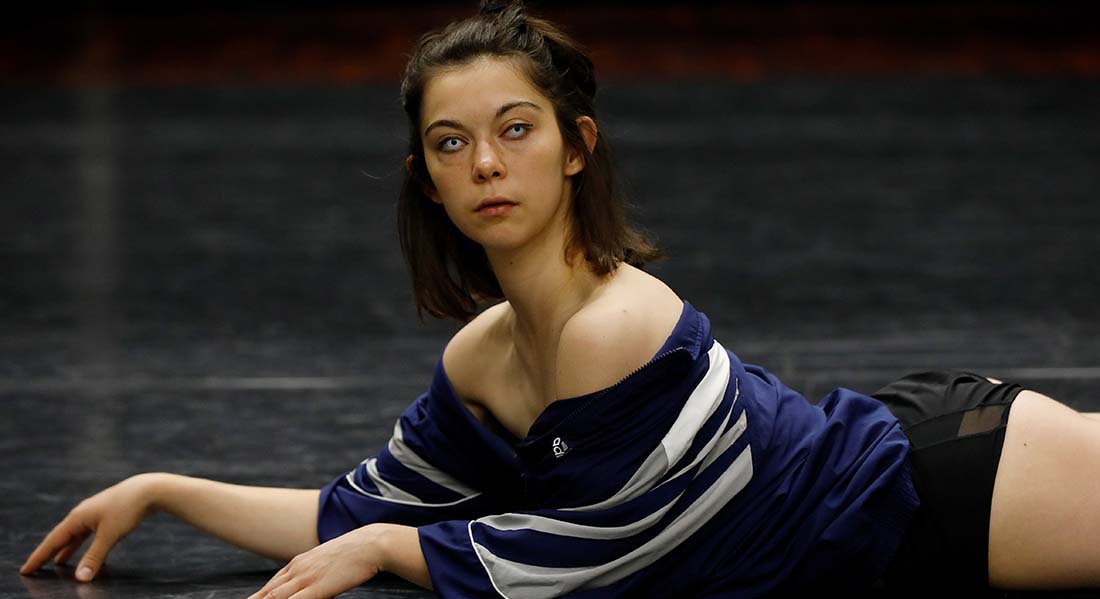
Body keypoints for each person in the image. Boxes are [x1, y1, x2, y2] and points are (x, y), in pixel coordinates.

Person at [18, 1, 1100, 597]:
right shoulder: (486, 354)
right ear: (424, 177)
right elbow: (356, 511)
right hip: (912, 459)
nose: (486, 162)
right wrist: (163, 484)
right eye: (452, 142)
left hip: (951, 496)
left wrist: (399, 551)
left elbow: (607, 557)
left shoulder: (615, 325)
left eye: (515, 129)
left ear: (575, 148)